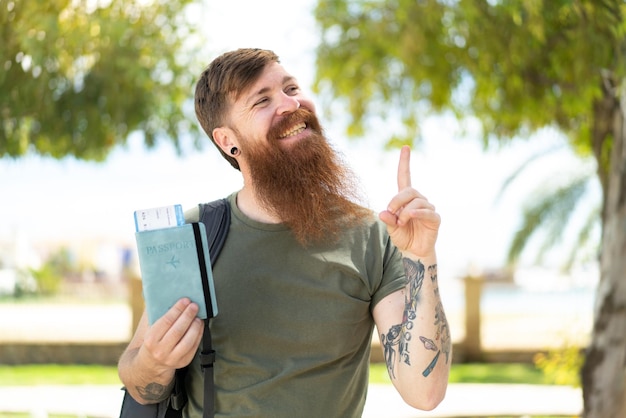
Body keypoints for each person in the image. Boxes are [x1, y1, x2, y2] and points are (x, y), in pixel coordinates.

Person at [118, 48, 451, 417]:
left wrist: (422, 257)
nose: (290, 104)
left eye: (290, 88)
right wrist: (155, 361)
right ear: (228, 140)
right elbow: (136, 376)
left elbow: (425, 392)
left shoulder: (372, 236)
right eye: (262, 100)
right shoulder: (191, 235)